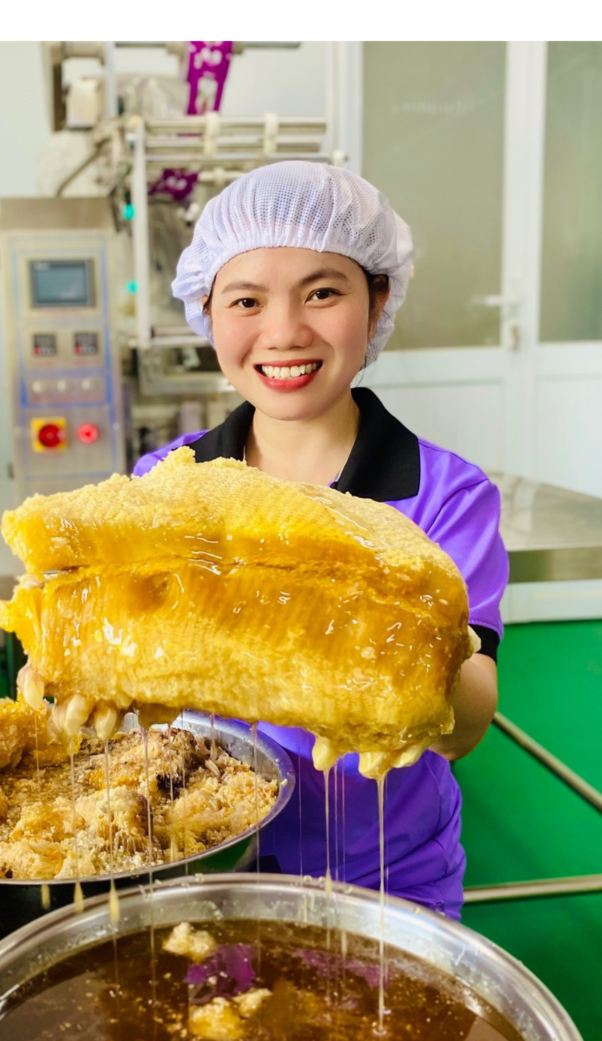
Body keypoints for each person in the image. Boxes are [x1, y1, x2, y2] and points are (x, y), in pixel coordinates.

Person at [132, 162, 508, 920]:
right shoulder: (164, 486)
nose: (284, 332)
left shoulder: (444, 497)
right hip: (200, 868)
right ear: (207, 312)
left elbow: (465, 727)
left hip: (385, 874)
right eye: (247, 300)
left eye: (323, 293)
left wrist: (366, 626)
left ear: (378, 301)